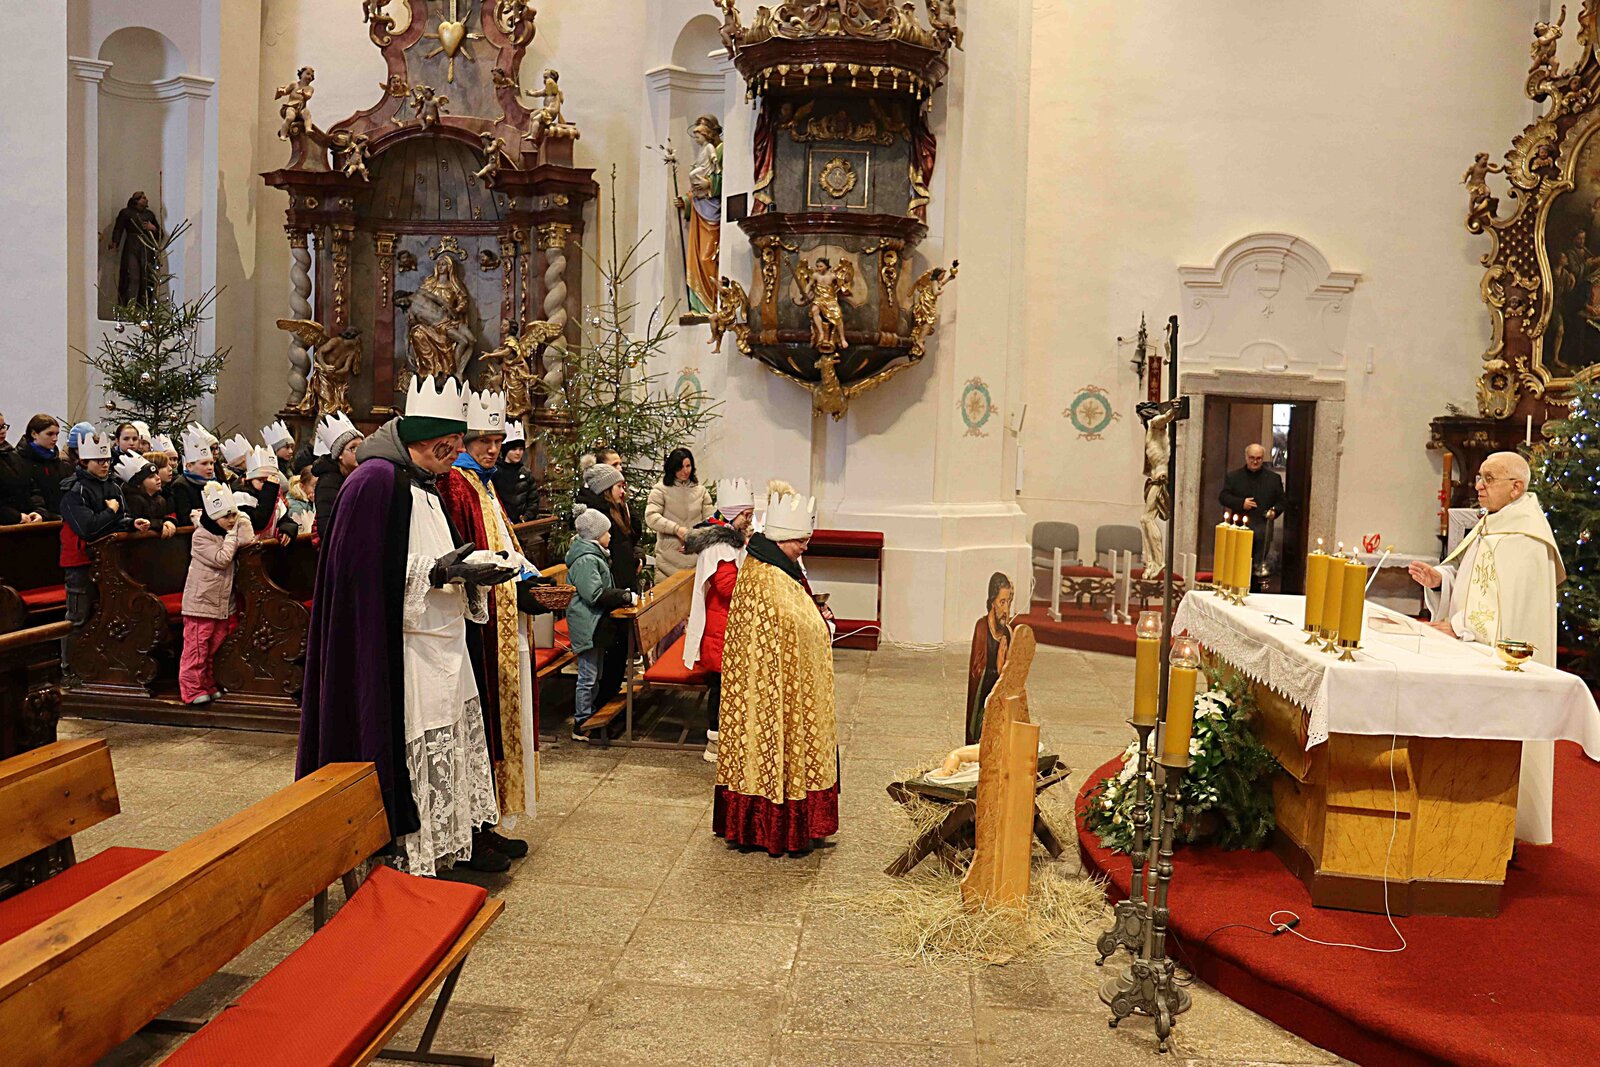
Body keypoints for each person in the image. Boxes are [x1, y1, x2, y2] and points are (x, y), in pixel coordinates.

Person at [298, 376, 521, 876]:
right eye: (455, 441)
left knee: (453, 738)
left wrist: (470, 570)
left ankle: (450, 843)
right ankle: (412, 855)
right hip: (407, 648)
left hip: (445, 637)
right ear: (429, 439)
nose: (459, 451)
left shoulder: (425, 483)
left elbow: (434, 550)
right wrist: (436, 573)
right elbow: (358, 574)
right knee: (417, 741)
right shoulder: (375, 480)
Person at [1407, 451, 1565, 844]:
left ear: (1516, 487)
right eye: (1479, 476)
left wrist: (1459, 626)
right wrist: (1440, 580)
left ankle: (1497, 825)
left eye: (1488, 479)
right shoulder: (1494, 523)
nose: (1478, 485)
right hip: (1471, 647)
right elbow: (1474, 580)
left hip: (1500, 660)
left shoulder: (1526, 537)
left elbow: (1509, 608)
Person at [438, 389, 542, 848]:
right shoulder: (456, 485)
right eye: (484, 440)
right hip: (478, 623)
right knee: (484, 718)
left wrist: (528, 579)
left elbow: (504, 542)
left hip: (502, 614)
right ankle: (477, 826)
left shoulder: (483, 483)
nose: (493, 449)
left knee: (499, 719)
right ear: (464, 441)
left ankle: (490, 817)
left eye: (498, 441)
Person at [713, 490, 839, 855]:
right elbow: (789, 622)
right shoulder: (765, 576)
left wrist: (816, 618)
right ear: (782, 540)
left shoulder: (776, 566)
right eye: (801, 541)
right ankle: (769, 828)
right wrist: (817, 625)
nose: (805, 548)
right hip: (765, 687)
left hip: (775, 679)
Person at [683, 478, 754, 763]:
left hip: (725, 623)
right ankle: (714, 742)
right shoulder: (720, 546)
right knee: (720, 685)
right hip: (720, 625)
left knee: (725, 683)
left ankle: (727, 736)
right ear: (733, 514)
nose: (749, 520)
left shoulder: (731, 540)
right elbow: (727, 587)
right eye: (746, 515)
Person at [59, 431, 135, 681]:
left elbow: (121, 518)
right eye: (99, 461)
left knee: (107, 613)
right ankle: (69, 668)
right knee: (78, 617)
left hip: (110, 560)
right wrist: (111, 513)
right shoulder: (74, 490)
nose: (105, 465)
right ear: (84, 462)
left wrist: (132, 524)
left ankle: (100, 665)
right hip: (81, 561)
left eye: (107, 461)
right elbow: (88, 528)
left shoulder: (113, 486)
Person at [179, 483, 255, 706]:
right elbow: (222, 559)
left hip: (221, 603)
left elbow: (248, 540)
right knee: (197, 648)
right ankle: (191, 689)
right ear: (213, 517)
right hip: (200, 603)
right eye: (226, 516)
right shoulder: (201, 536)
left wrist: (242, 519)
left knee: (214, 647)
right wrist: (232, 534)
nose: (231, 520)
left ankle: (208, 684)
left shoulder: (226, 533)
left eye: (233, 515)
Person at [565, 508, 637, 739]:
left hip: (595, 621)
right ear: (596, 536)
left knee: (595, 674)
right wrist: (623, 596)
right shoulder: (587, 559)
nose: (610, 536)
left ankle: (591, 714)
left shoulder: (595, 555)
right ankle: (581, 722)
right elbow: (593, 594)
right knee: (588, 675)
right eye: (607, 532)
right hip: (587, 622)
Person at [1218, 443, 1286, 592]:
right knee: (1238, 565)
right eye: (1252, 458)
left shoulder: (1273, 479)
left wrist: (1274, 511)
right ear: (1246, 457)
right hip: (1239, 529)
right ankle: (1236, 592)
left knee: (1257, 567)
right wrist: (1241, 503)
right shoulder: (1234, 477)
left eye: (1259, 458)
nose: (1255, 461)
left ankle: (1255, 593)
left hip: (1262, 530)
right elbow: (1223, 497)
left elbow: (1282, 501)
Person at [645, 447, 716, 577]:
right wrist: (676, 529)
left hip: (697, 560)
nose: (685, 471)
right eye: (680, 467)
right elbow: (651, 517)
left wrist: (696, 538)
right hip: (667, 562)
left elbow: (710, 521)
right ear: (672, 468)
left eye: (688, 466)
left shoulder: (701, 491)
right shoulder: (660, 490)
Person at [966, 573, 1014, 745]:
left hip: (1000, 700)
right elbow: (976, 671)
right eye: (1002, 602)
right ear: (992, 601)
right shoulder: (982, 627)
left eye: (1009, 602)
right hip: (983, 700)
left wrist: (1004, 664)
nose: (1006, 609)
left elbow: (1010, 674)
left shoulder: (1008, 632)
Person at [312, 412, 363, 539]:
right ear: (339, 454)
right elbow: (327, 526)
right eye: (352, 448)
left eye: (361, 446)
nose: (359, 452)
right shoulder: (328, 482)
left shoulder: (359, 474)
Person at [241, 446, 299, 545]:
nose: (266, 485)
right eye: (261, 480)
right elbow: (259, 522)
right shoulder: (242, 499)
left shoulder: (276, 499)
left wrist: (286, 529)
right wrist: (270, 489)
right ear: (249, 480)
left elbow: (285, 519)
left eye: (269, 480)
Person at [14, 415, 66, 519]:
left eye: (57, 434)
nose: (55, 439)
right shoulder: (19, 460)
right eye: (49, 434)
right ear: (34, 434)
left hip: (58, 517)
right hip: (34, 517)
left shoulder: (56, 460)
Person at [0, 411, 44, 524]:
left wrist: (38, 511)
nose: (3, 431)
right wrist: (16, 517)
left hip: (25, 523)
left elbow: (32, 487)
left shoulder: (13, 455)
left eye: (3, 426)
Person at [115, 454, 176, 534]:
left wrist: (169, 521)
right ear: (139, 484)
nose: (158, 478)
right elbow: (141, 523)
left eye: (157, 474)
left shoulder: (160, 499)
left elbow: (163, 517)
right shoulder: (133, 500)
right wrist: (160, 525)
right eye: (151, 477)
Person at [171, 424, 219, 527]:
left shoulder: (214, 483)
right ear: (189, 466)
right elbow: (184, 518)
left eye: (211, 463)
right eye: (204, 464)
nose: (210, 467)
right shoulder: (181, 485)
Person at [491, 420, 536, 523]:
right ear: (506, 450)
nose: (518, 453)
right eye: (514, 449)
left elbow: (533, 501)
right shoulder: (494, 472)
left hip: (522, 524)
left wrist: (526, 517)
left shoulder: (526, 473)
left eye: (521, 449)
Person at [285, 463, 317, 535]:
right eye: (314, 486)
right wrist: (316, 503)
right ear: (302, 486)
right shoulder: (295, 507)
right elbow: (308, 531)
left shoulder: (309, 500)